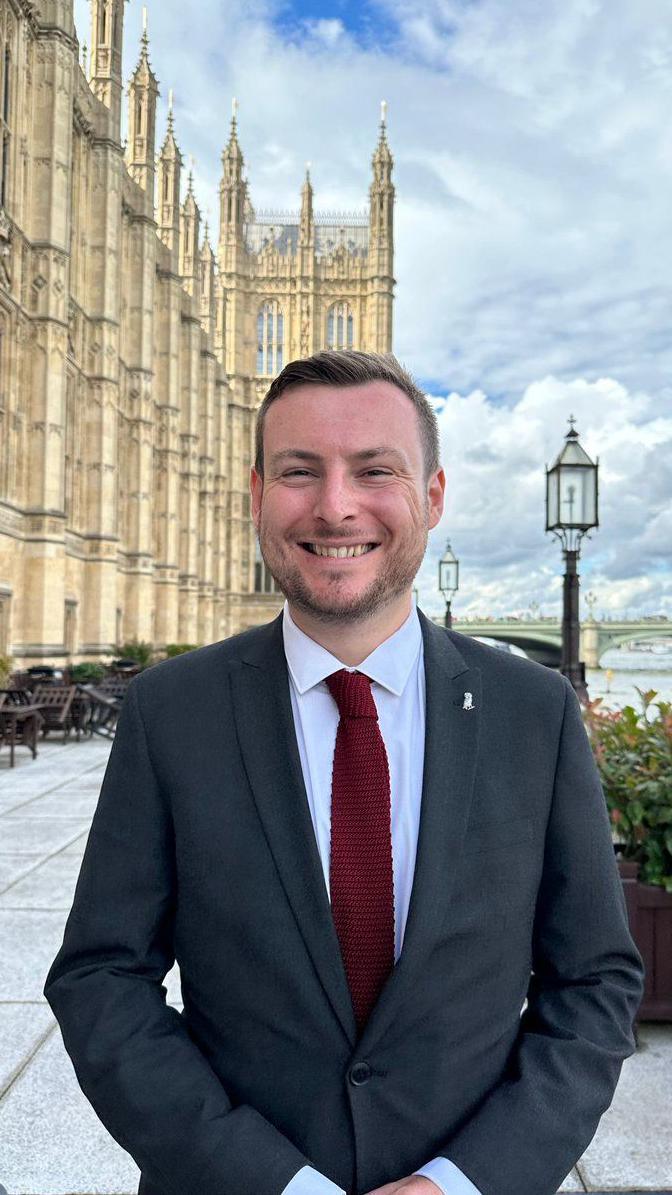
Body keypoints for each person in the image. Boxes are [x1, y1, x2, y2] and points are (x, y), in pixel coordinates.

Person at [45, 350, 644, 1195]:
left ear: (431, 497)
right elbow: (101, 978)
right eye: (299, 471)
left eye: (374, 470)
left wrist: (466, 1181)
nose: (335, 505)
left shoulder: (533, 712)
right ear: (256, 496)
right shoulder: (169, 712)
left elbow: (594, 980)